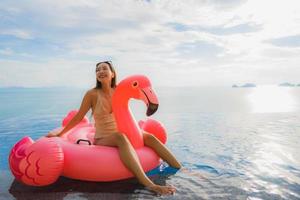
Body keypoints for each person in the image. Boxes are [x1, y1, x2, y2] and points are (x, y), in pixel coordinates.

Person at [47, 61, 182, 195]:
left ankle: (179, 167)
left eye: (104, 68)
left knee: (149, 137)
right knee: (120, 137)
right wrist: (61, 133)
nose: (100, 71)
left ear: (112, 74)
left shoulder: (119, 90)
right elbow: (78, 117)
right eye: (97, 70)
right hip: (103, 137)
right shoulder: (92, 94)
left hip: (122, 131)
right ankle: (149, 184)